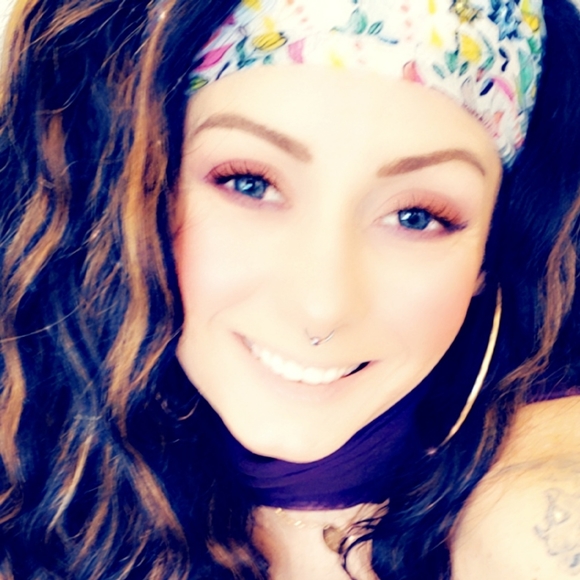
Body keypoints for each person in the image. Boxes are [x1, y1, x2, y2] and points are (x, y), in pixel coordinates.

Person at [0, 0, 580, 578]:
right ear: (135, 190)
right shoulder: (25, 486)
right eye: (250, 184)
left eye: (416, 217)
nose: (321, 306)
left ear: (490, 252)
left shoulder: (540, 512)